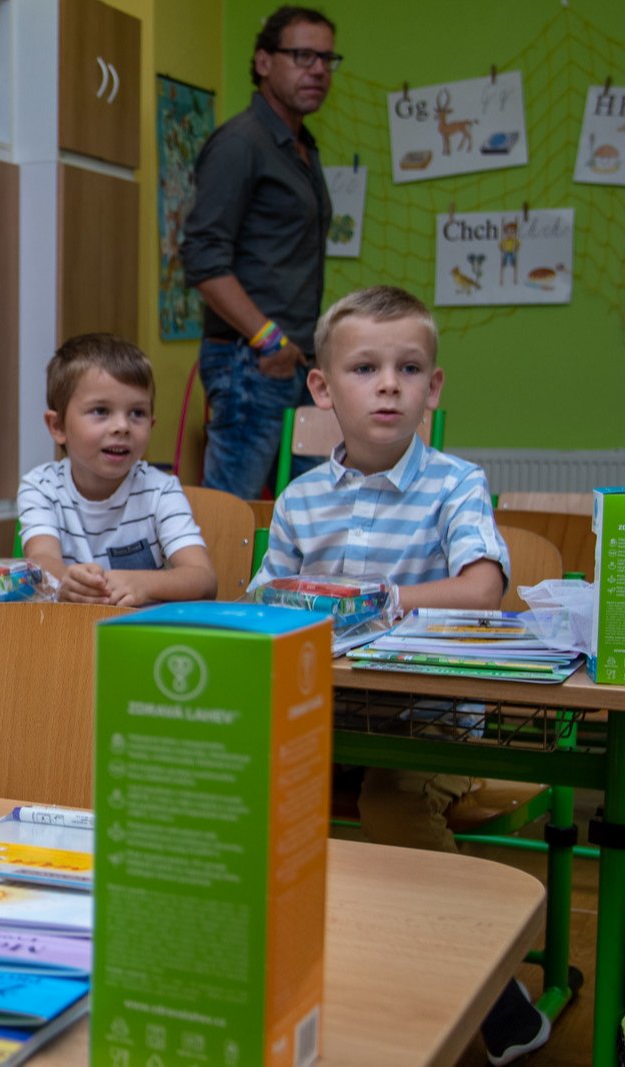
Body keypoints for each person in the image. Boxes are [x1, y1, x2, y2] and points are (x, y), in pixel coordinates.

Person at [248, 286, 548, 1064]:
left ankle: (496, 989)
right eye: (365, 368)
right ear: (322, 389)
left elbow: (483, 587)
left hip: (432, 722)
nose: (388, 385)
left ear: (432, 388)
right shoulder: (301, 499)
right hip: (325, 717)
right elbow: (264, 602)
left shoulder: (455, 484)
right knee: (231, 784)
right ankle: (267, 968)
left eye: (409, 369)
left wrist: (379, 600)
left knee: (392, 798)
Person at [180, 5, 336, 500]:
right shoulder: (241, 143)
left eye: (327, 59)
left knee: (313, 511)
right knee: (232, 516)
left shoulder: (300, 146)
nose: (318, 69)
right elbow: (202, 256)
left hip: (294, 363)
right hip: (252, 363)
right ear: (264, 61)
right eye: (303, 56)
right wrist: (268, 340)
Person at [18, 333, 216, 607]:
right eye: (101, 410)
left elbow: (204, 579)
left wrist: (144, 584)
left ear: (151, 424)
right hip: (67, 629)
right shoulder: (41, 487)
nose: (122, 426)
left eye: (137, 413)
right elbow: (41, 560)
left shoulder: (161, 490)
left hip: (139, 629)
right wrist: (67, 582)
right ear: (58, 426)